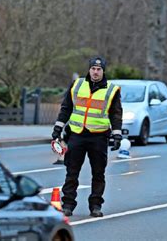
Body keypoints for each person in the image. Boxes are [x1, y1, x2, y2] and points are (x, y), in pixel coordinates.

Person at [52, 56, 122, 217]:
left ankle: (95, 206)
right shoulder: (77, 85)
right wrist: (58, 128)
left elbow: (116, 114)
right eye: (93, 69)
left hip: (98, 137)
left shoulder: (111, 90)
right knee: (72, 172)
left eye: (99, 69)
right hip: (77, 135)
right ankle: (68, 204)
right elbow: (66, 108)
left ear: (103, 71)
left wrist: (117, 135)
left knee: (98, 173)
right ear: (89, 69)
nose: (95, 72)